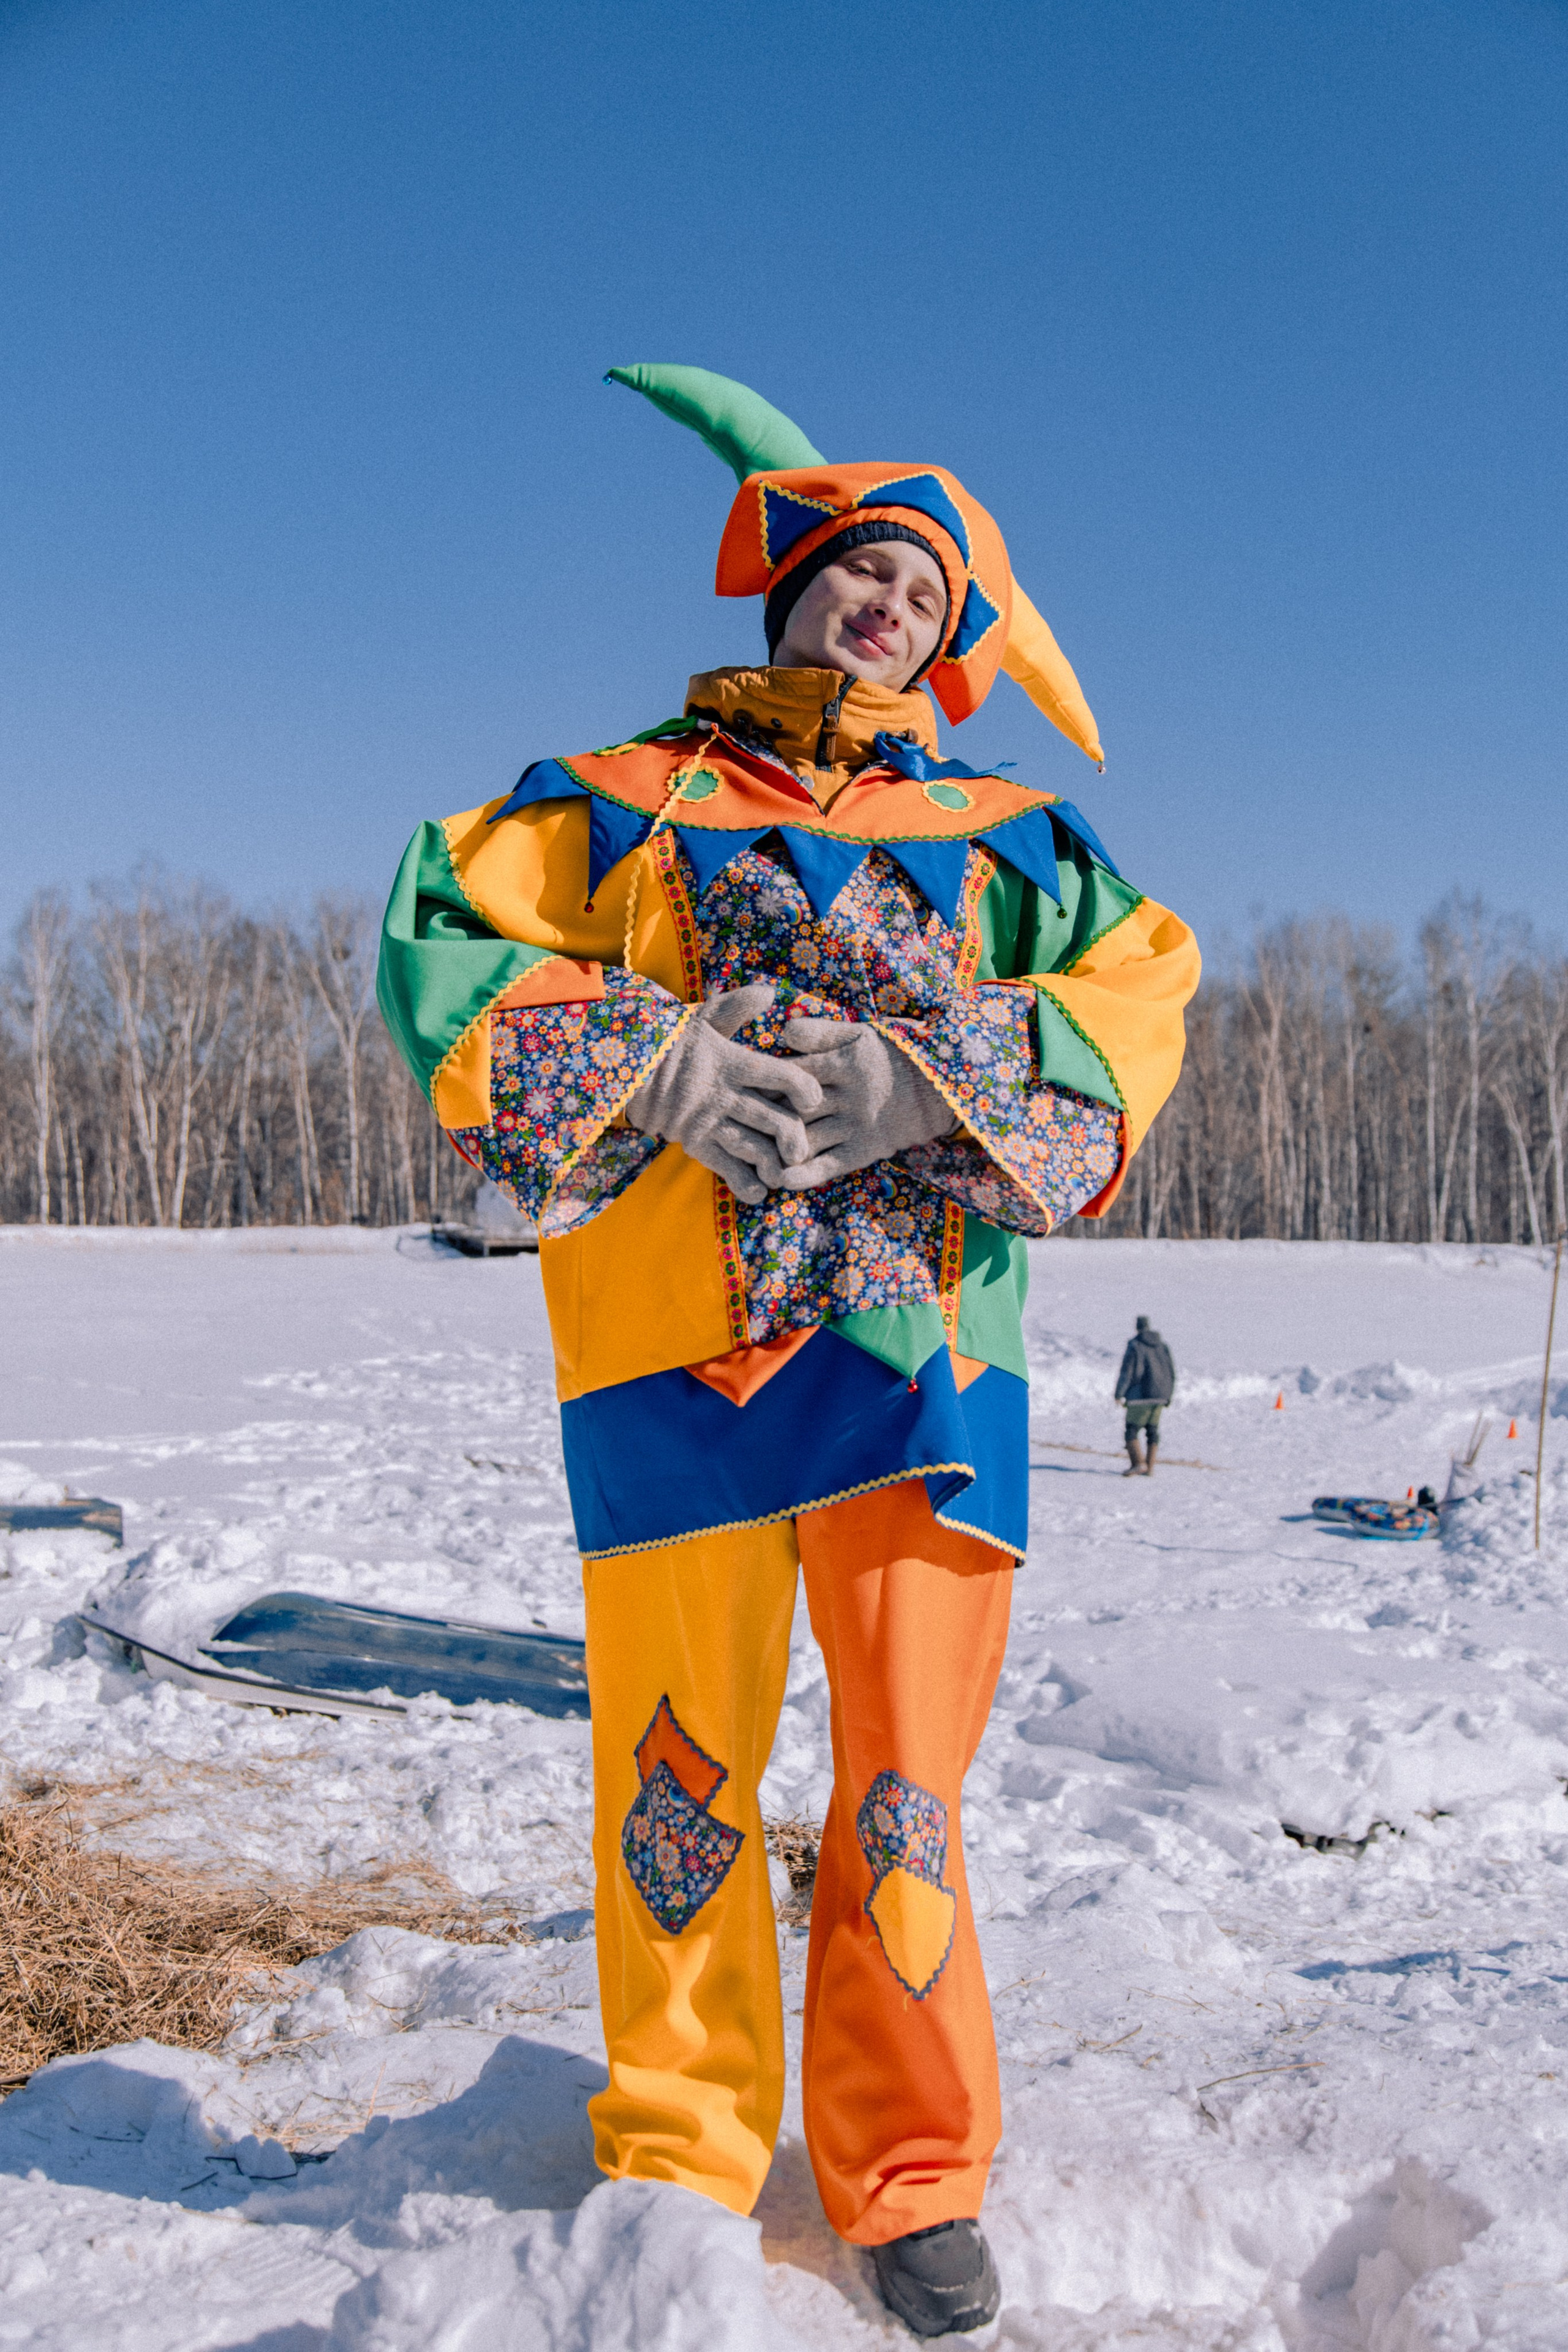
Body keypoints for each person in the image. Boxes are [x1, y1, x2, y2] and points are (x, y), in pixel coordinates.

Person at [377, 364, 1199, 2338]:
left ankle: (906, 2169)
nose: (888, 608)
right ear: (792, 589)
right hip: (670, 1348)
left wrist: (934, 1080)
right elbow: (436, 924)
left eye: (925, 590)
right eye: (861, 571)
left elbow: (1144, 984)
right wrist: (648, 1058)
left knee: (903, 1776)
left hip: (928, 1359)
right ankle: (676, 2138)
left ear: (954, 641)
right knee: (677, 1761)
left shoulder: (1014, 839)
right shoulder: (611, 794)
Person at [1115, 1314, 1176, 1474]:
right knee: (1152, 1430)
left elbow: (1127, 1372)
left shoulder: (1135, 1345)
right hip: (1160, 1395)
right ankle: (1150, 1467)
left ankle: (1138, 1463)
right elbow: (1171, 1372)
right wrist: (1168, 1395)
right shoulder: (1163, 1346)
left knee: (1131, 1429)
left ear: (1137, 1327)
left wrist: (1119, 1393)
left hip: (1139, 1396)